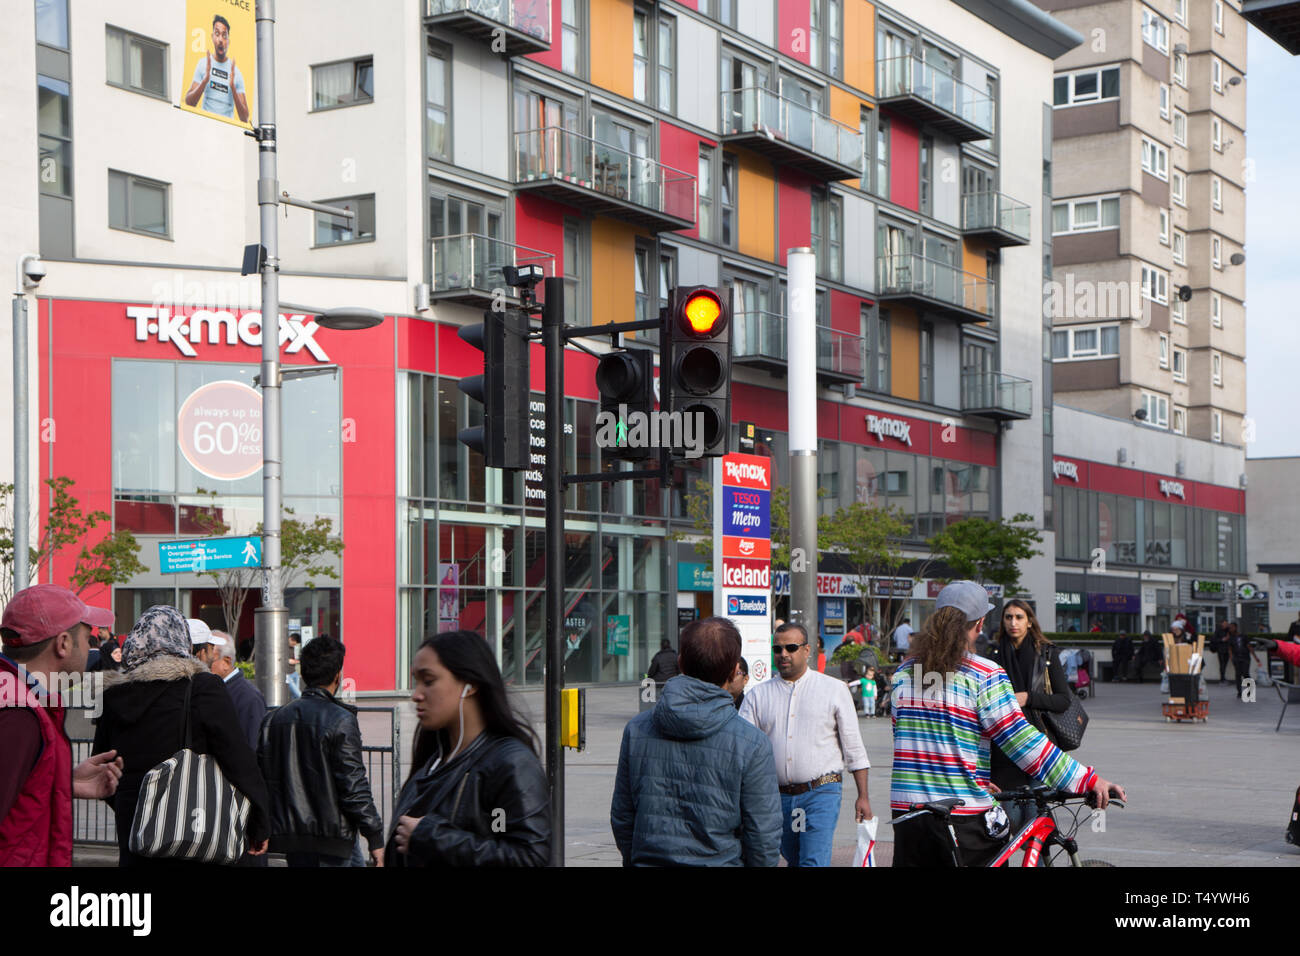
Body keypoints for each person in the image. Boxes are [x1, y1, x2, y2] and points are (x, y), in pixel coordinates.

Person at [890, 582, 1123, 867]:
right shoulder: (984, 674)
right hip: (961, 819)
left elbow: (909, 739)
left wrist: (973, 778)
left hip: (907, 815)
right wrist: (1087, 779)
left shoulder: (904, 674)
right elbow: (1023, 741)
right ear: (980, 624)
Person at [93, 605, 270, 867]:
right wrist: (260, 820)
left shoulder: (114, 696)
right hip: (193, 831)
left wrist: (135, 804)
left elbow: (103, 765)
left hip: (136, 835)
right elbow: (237, 758)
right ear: (181, 641)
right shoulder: (201, 688)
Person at [611, 617, 781, 866]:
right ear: (735, 670)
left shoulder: (637, 730)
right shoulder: (753, 743)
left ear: (680, 663)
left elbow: (623, 818)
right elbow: (763, 836)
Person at [388, 630, 549, 866]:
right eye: (416, 681)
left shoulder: (510, 763)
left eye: (429, 681)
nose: (416, 695)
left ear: (470, 684)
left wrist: (432, 837)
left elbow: (529, 857)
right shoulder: (432, 761)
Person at [1, 585, 125, 866]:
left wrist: (62, 781)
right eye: (87, 636)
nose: (91, 646)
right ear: (64, 643)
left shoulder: (18, 699)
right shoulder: (18, 714)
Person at [739, 621, 872, 867]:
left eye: (790, 647)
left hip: (821, 792)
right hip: (776, 797)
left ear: (807, 650)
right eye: (777, 649)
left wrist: (863, 796)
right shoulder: (758, 696)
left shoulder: (834, 690)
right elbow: (742, 751)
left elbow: (853, 748)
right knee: (794, 859)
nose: (783, 655)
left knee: (813, 862)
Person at [259, 635, 384, 867]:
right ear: (337, 675)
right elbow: (353, 785)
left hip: (294, 840)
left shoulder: (273, 720)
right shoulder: (341, 720)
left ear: (304, 674)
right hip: (334, 840)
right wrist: (375, 836)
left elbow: (265, 781)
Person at [986, 599, 1075, 834]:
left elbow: (1063, 699)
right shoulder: (993, 655)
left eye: (1019, 617)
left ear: (1029, 621)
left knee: (1037, 824)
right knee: (1008, 824)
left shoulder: (1046, 653)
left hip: (1038, 746)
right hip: (1004, 749)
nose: (1013, 622)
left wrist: (1028, 697)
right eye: (1008, 617)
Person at [183, 14, 249, 122]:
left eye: (224, 35)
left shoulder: (236, 73)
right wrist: (204, 81)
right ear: (212, 37)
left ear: (228, 41)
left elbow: (244, 118)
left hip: (226, 131)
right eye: (217, 34)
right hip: (204, 125)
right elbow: (189, 103)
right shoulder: (203, 64)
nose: (220, 40)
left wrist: (232, 87)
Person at [209, 630, 266, 752]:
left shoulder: (248, 697)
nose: (202, 664)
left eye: (209, 660)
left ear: (226, 662)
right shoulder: (213, 690)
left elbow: (252, 748)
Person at [1227, 623, 1254, 699]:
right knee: (1238, 675)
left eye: (1231, 628)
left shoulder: (1243, 636)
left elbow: (1249, 646)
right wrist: (1232, 658)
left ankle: (1250, 690)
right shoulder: (1230, 638)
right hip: (1237, 658)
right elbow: (1230, 649)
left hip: (1245, 658)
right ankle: (1239, 692)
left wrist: (1255, 657)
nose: (1230, 629)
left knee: (1246, 673)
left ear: (1235, 627)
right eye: (1230, 628)